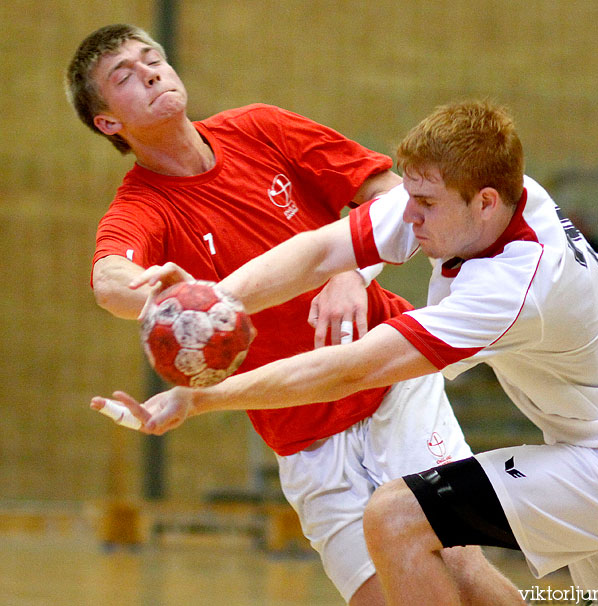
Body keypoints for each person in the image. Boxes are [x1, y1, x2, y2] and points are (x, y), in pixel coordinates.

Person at [95, 99, 598, 605]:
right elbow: (316, 252)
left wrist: (201, 398)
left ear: (484, 202)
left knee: (396, 517)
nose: (407, 217)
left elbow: (350, 368)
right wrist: (216, 304)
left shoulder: (515, 285)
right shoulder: (483, 201)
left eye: (424, 206)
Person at [68, 25, 523, 606]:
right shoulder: (141, 207)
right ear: (109, 122)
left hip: (389, 382)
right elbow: (109, 279)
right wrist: (157, 294)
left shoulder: (260, 127)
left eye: (152, 57)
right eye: (125, 76)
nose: (151, 72)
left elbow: (390, 195)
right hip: (300, 433)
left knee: (458, 565)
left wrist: (350, 272)